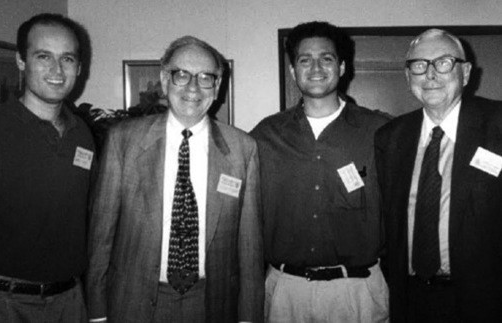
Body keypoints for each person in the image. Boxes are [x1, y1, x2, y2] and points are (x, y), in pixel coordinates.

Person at [86, 36, 264, 323]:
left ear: (217, 87)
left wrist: (249, 317)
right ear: (164, 79)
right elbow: (101, 237)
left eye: (206, 77)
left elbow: (250, 248)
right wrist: (97, 313)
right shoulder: (124, 141)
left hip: (212, 303)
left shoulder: (243, 149)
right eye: (181, 74)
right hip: (134, 302)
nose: (193, 87)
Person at [251, 21, 389, 323]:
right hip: (286, 293)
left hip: (358, 293)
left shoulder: (379, 132)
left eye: (326, 58)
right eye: (304, 59)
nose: (315, 67)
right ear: (293, 70)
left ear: (341, 67)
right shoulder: (265, 135)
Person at [375, 28, 502, 322]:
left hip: (487, 300)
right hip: (412, 300)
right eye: (419, 65)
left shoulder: (498, 126)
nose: (430, 75)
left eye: (443, 62)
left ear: (466, 72)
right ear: (408, 77)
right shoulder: (390, 138)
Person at [0, 13, 95, 322]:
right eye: (43, 56)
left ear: (78, 68)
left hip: (71, 301)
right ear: (21, 61)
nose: (57, 70)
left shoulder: (84, 134)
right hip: (6, 303)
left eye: (67, 59)